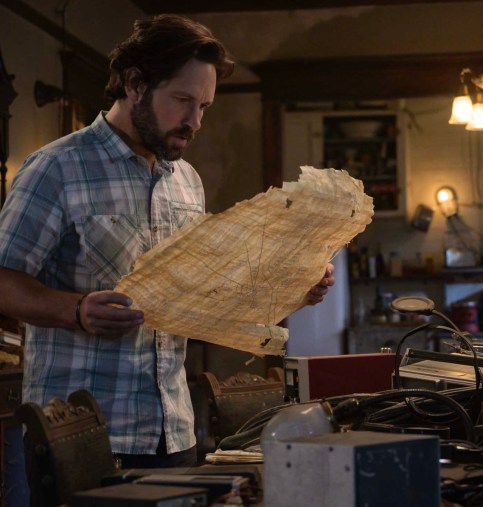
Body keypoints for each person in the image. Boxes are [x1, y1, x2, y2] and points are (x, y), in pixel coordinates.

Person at [0, 14, 335, 469]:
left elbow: (205, 295)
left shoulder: (186, 181)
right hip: (82, 438)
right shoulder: (56, 167)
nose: (194, 121)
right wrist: (76, 311)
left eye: (204, 107)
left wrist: (295, 285)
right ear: (135, 84)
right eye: (183, 100)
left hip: (173, 429)